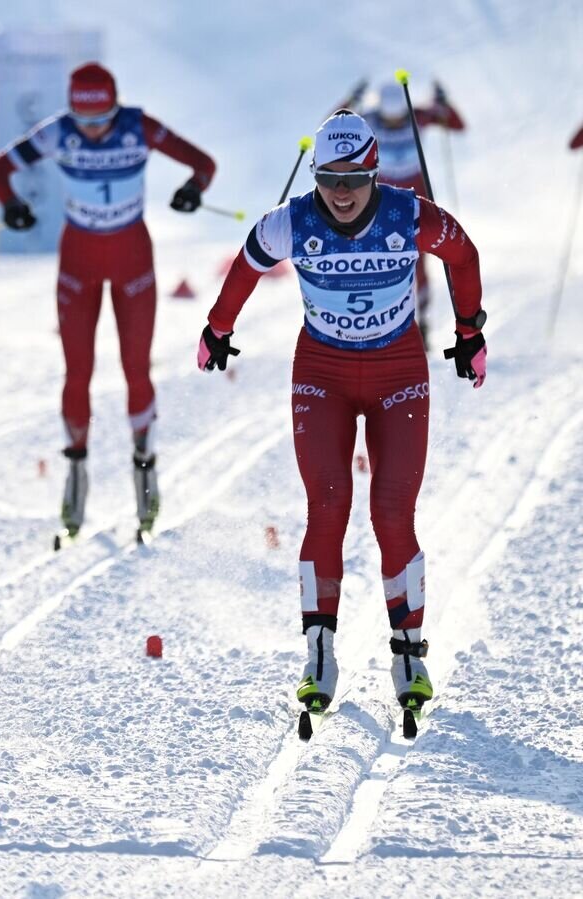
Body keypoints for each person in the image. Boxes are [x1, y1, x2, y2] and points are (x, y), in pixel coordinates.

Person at [196, 110, 487, 730]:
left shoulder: (408, 213)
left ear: (375, 171)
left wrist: (470, 331)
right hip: (322, 376)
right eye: (330, 178)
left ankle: (408, 654)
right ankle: (319, 653)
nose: (343, 192)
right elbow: (245, 267)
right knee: (328, 504)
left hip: (398, 373)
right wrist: (218, 328)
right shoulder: (291, 221)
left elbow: (463, 256)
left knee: (391, 512)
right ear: (316, 175)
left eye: (355, 178)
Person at [0, 61, 217, 541]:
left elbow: (204, 163)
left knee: (136, 368)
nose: (91, 132)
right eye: (83, 122)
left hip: (132, 257)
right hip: (79, 260)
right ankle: (75, 474)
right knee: (77, 371)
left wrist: (194, 189)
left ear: (115, 108)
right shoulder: (59, 132)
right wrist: (10, 204)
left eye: (101, 121)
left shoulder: (139, 126)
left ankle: (145, 474)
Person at [341, 79, 466, 346]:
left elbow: (456, 124)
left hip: (414, 198)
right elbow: (335, 126)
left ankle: (422, 324)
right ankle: (375, 323)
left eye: (400, 119)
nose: (395, 124)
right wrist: (351, 101)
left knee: (416, 259)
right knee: (377, 259)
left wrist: (444, 103)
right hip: (380, 200)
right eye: (390, 120)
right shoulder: (369, 119)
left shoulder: (419, 115)